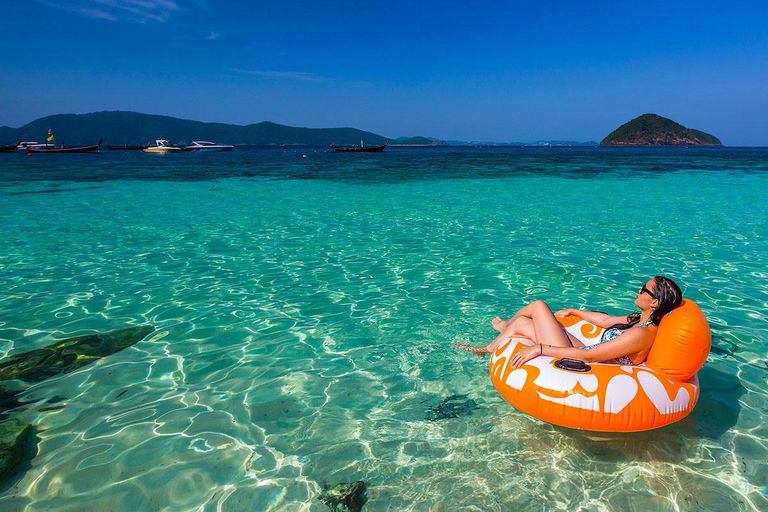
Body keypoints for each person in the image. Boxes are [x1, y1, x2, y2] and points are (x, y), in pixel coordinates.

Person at [454, 276, 683, 368]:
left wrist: (540, 349)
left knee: (538, 306)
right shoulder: (637, 321)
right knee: (525, 324)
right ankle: (485, 350)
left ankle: (497, 335)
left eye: (645, 290)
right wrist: (576, 310)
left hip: (591, 363)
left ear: (655, 303)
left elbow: (589, 357)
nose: (639, 290)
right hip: (584, 349)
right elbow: (605, 320)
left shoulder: (641, 334)